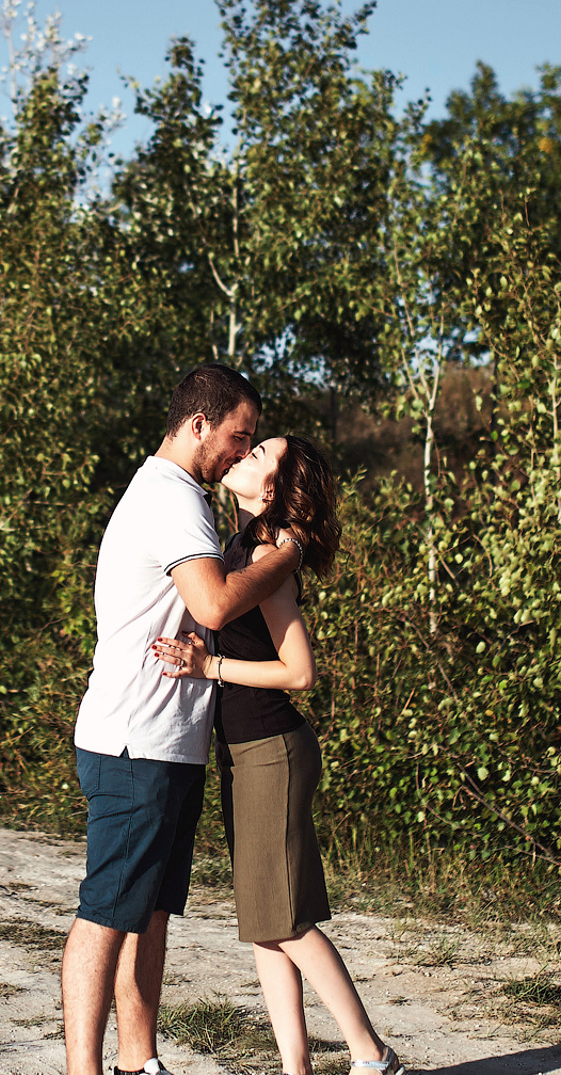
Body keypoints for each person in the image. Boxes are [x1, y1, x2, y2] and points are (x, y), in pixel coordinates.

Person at [62, 364, 311, 1075]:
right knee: (107, 911)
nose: (241, 450)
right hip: (134, 740)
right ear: (199, 425)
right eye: (239, 436)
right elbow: (212, 604)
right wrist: (287, 554)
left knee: (148, 912)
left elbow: (190, 619)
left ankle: (139, 1064)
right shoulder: (173, 496)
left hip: (167, 742)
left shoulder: (176, 496)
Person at [151, 435, 404, 1075]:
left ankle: (371, 1054)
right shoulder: (240, 547)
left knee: (284, 920)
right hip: (244, 751)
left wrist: (209, 665)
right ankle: (295, 1067)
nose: (248, 449)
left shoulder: (266, 556)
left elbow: (299, 672)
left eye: (262, 451)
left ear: (271, 490)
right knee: (265, 920)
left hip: (272, 747)